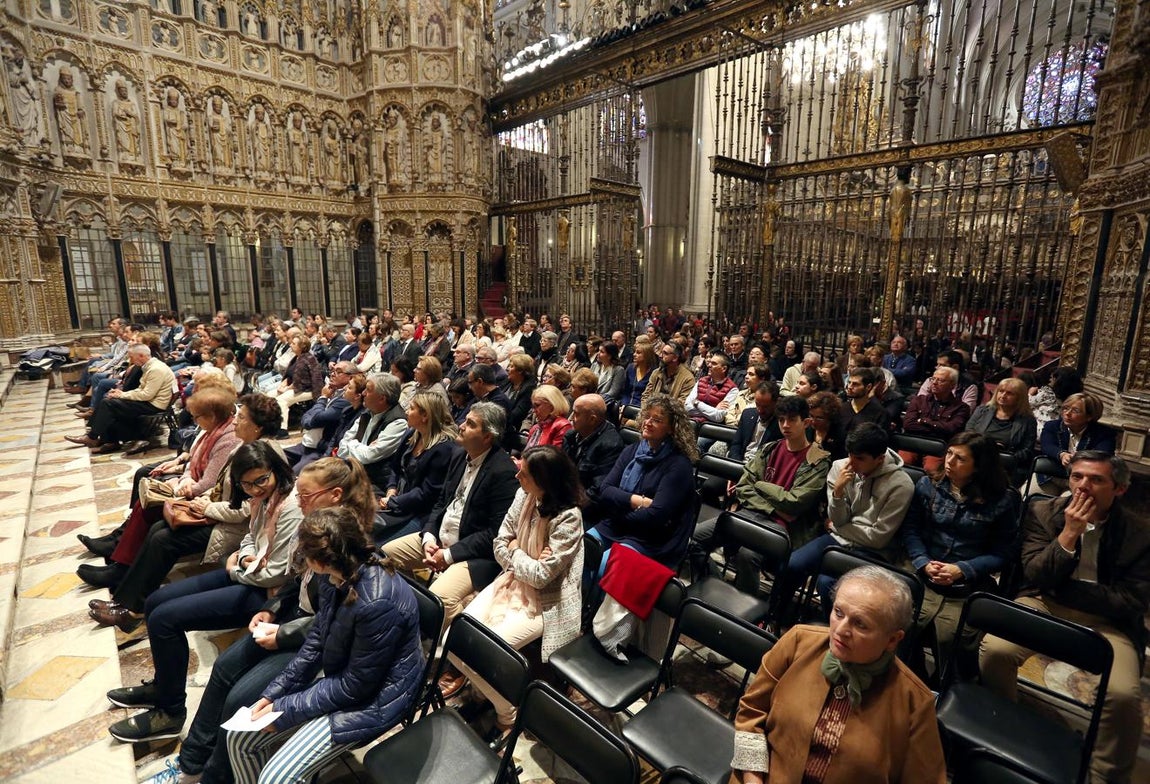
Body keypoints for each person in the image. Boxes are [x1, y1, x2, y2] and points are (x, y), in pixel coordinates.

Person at [149, 457, 376, 784]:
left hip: (323, 643)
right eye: (298, 494)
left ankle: (214, 776)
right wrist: (272, 607)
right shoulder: (318, 523)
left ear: (335, 495)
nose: (299, 501)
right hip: (297, 620)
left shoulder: (350, 542)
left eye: (305, 495)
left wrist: (282, 634)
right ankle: (191, 764)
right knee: (225, 666)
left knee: (241, 698)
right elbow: (298, 579)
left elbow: (337, 620)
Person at [104, 442, 303, 743]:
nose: (254, 489)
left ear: (276, 471)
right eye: (246, 484)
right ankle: (162, 686)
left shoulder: (291, 507)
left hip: (269, 594)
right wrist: (243, 558)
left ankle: (170, 712)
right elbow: (250, 537)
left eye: (261, 480)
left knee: (166, 619)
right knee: (156, 601)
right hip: (249, 573)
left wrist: (235, 568)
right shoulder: (262, 498)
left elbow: (276, 574)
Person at [979, 452, 1149, 784]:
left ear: (1119, 489)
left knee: (1123, 695)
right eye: (1077, 477)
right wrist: (1069, 534)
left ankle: (1104, 776)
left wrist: (1064, 589)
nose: (1083, 486)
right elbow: (1036, 574)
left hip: (1108, 622)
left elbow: (1132, 600)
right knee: (995, 650)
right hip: (1044, 602)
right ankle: (1005, 728)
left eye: (1096, 480)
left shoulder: (1140, 534)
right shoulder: (1043, 512)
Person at [224, 507, 423, 784]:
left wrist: (286, 709)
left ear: (319, 560)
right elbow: (317, 640)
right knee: (239, 737)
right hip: (345, 680)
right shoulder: (336, 575)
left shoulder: (376, 601)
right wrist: (273, 694)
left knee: (277, 777)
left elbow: (357, 686)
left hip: (380, 697)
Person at [731, 566, 947, 784]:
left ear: (892, 639)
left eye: (860, 624)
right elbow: (751, 711)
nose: (841, 630)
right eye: (838, 613)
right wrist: (752, 779)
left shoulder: (915, 702)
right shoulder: (797, 642)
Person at [454, 446, 585, 741]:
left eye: (524, 474)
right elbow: (499, 542)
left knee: (482, 653)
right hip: (511, 583)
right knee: (454, 637)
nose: (517, 476)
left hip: (547, 603)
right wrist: (524, 555)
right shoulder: (523, 495)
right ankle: (487, 696)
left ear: (544, 481)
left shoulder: (569, 518)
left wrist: (515, 550)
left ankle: (507, 714)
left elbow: (541, 578)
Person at [78, 386, 241, 604]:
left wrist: (184, 487)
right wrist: (183, 478)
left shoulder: (229, 439)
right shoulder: (213, 431)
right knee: (147, 501)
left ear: (212, 416)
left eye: (197, 416)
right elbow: (193, 462)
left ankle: (123, 569)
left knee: (155, 518)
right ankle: (120, 559)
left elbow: (211, 484)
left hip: (208, 502)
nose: (238, 421)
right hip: (199, 493)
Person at [381, 403, 519, 630]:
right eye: (465, 420)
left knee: (440, 599)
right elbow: (441, 503)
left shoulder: (503, 472)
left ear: (487, 437)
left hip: (473, 554)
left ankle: (450, 641)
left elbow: (494, 534)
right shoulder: (459, 455)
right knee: (385, 556)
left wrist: (448, 555)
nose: (461, 426)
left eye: (471, 424)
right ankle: (410, 614)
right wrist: (429, 537)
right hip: (440, 538)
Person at [900, 431, 1019, 664]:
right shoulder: (928, 484)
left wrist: (962, 569)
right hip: (922, 568)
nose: (949, 462)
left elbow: (1005, 552)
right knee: (899, 623)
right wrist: (923, 561)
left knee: (952, 638)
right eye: (949, 454)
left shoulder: (1001, 499)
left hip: (967, 580)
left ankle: (946, 680)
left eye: (960, 458)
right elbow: (910, 529)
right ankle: (910, 672)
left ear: (978, 467)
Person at [781, 424, 914, 614]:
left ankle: (835, 630)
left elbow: (878, 538)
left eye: (859, 458)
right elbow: (838, 519)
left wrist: (835, 527)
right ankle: (774, 618)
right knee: (792, 564)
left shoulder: (901, 485)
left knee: (828, 584)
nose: (851, 463)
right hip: (838, 539)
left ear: (880, 459)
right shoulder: (839, 467)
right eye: (850, 454)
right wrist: (838, 493)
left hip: (873, 552)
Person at [590, 394, 697, 568]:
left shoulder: (678, 465)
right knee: (582, 552)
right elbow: (605, 489)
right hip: (617, 524)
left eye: (657, 420)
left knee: (606, 567)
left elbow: (656, 515)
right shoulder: (632, 451)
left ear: (672, 428)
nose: (648, 422)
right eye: (647, 416)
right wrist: (637, 501)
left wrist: (618, 508)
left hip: (651, 538)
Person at [375, 392, 460, 544]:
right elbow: (395, 467)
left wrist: (393, 502)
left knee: (378, 544)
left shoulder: (444, 448)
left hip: (420, 512)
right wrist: (391, 488)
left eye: (412, 408)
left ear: (425, 416)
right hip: (397, 501)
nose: (407, 412)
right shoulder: (412, 434)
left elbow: (426, 493)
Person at [65, 342, 176, 453]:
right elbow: (141, 390)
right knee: (109, 401)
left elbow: (147, 395)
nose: (131, 360)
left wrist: (122, 395)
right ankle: (108, 441)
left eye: (131, 357)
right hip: (150, 401)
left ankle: (93, 437)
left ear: (141, 356)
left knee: (108, 403)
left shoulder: (155, 369)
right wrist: (120, 393)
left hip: (154, 405)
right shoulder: (150, 366)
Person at [1035, 391, 1116, 494]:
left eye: (1075, 411)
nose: (1067, 413)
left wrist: (1080, 457)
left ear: (1089, 416)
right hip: (1049, 477)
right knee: (1030, 497)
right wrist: (1061, 454)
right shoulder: (1052, 426)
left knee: (1068, 502)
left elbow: (1103, 455)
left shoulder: (1104, 433)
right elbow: (1047, 446)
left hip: (1082, 482)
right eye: (1065, 408)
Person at [561, 393, 624, 524]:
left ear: (592, 420)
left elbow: (596, 493)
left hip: (585, 511)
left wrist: (566, 507)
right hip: (565, 496)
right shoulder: (571, 435)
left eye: (576, 414)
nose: (571, 418)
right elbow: (559, 469)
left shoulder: (611, 445)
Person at [284, 362, 359, 470]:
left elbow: (319, 419)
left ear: (350, 377)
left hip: (318, 450)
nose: (332, 374)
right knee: (273, 459)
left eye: (338, 372)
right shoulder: (332, 391)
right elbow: (307, 415)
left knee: (297, 475)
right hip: (306, 445)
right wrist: (310, 420)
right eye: (332, 371)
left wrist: (323, 398)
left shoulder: (346, 399)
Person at [964, 376, 1036, 484]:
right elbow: (968, 433)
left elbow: (1026, 451)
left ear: (1019, 398)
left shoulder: (1028, 421)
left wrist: (1003, 457)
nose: (1003, 396)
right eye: (1001, 391)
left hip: (1006, 467)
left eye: (1009, 393)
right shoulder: (982, 411)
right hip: (977, 459)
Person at [900, 365, 971, 468]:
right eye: (933, 379)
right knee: (902, 463)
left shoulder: (961, 407)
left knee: (932, 469)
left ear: (952, 385)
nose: (934, 383)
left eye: (941, 380)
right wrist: (937, 428)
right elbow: (908, 424)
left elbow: (951, 429)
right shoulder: (919, 400)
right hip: (913, 441)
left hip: (938, 447)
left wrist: (924, 421)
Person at [272, 334, 323, 437]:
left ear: (302, 346)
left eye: (294, 344)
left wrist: (287, 389)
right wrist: (283, 384)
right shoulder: (296, 358)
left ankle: (283, 430)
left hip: (308, 390)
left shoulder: (310, 358)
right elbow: (289, 375)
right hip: (295, 387)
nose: (290, 345)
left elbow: (313, 379)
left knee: (281, 400)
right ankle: (272, 425)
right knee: (269, 395)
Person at [685, 352, 739, 424]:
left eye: (714, 363)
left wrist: (696, 403)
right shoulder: (701, 381)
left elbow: (719, 417)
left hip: (712, 428)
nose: (709, 365)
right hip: (692, 423)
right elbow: (687, 408)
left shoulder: (732, 389)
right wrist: (713, 410)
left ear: (724, 369)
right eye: (710, 362)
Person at [642, 342, 696, 407]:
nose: (660, 356)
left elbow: (681, 405)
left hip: (672, 412)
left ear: (675, 358)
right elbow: (646, 395)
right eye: (661, 352)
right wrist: (646, 409)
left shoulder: (688, 379)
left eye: (665, 353)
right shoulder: (656, 372)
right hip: (651, 411)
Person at [840, 367, 890, 434]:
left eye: (855, 384)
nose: (849, 387)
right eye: (849, 382)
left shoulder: (880, 414)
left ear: (868, 387)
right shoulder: (841, 408)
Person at [523, 384, 572, 450]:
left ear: (552, 405)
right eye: (533, 407)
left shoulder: (562, 426)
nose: (534, 411)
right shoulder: (535, 428)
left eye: (537, 405)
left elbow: (555, 455)